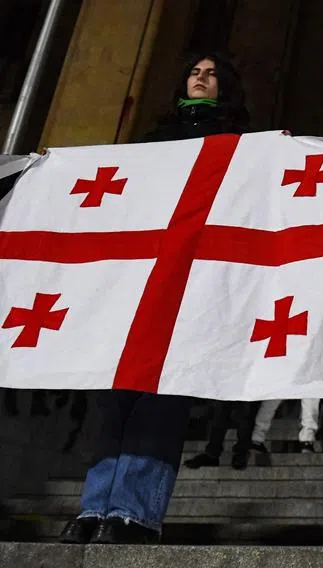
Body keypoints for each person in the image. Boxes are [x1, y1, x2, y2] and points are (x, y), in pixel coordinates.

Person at [60, 51, 248, 545]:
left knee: (161, 397)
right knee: (114, 395)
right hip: (136, 280)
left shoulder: (244, 145)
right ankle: (93, 508)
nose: (202, 79)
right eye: (194, 72)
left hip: (192, 283)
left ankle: (134, 512)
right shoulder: (152, 141)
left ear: (225, 85)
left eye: (211, 73)